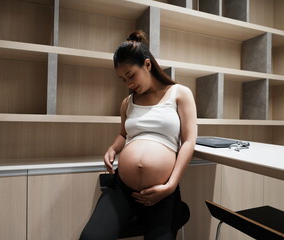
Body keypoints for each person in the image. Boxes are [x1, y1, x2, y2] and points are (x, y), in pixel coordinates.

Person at [80, 30, 197, 240]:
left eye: (131, 75)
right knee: (90, 238)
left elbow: (188, 141)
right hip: (123, 190)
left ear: (147, 64)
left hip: (162, 191)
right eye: (123, 79)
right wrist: (112, 148)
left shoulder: (179, 93)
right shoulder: (127, 103)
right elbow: (124, 134)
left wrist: (170, 186)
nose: (128, 84)